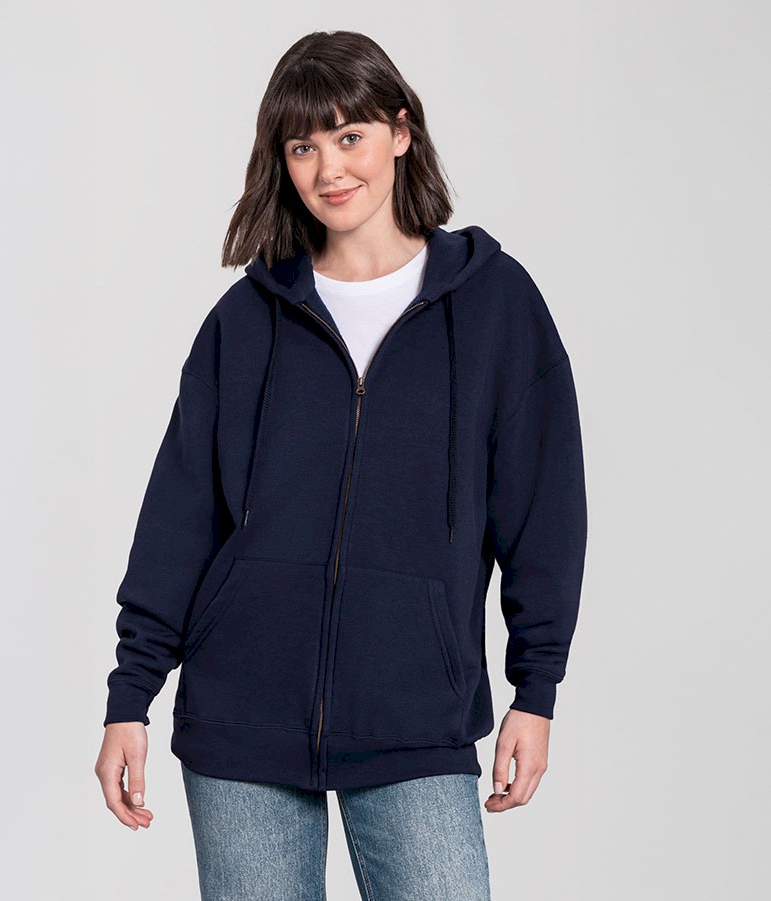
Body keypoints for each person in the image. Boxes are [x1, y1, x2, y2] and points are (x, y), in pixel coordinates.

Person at [94, 29, 587, 900]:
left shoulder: (494, 306)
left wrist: (536, 689)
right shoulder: (246, 322)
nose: (330, 168)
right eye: (303, 147)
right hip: (242, 718)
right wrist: (130, 695)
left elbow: (544, 512)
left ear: (401, 132)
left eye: (350, 136)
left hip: (415, 715)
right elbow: (180, 515)